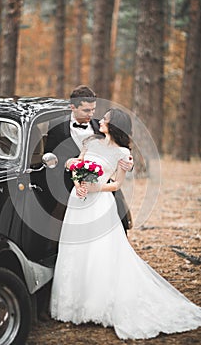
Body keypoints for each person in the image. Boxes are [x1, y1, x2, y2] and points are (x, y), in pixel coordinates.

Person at [50, 108, 201, 340]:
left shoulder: (122, 153)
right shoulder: (90, 141)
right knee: (75, 249)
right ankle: (72, 305)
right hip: (78, 202)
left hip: (100, 203)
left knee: (99, 252)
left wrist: (94, 187)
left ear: (114, 125)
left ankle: (98, 305)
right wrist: (76, 176)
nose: (102, 120)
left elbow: (117, 185)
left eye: (107, 118)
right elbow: (77, 164)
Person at [44, 85, 133, 238]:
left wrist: (129, 165)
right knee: (63, 230)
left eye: (93, 109)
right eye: (86, 110)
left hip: (102, 187)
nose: (91, 114)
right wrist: (67, 164)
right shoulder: (57, 126)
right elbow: (50, 153)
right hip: (69, 186)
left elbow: (119, 150)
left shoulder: (101, 126)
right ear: (73, 107)